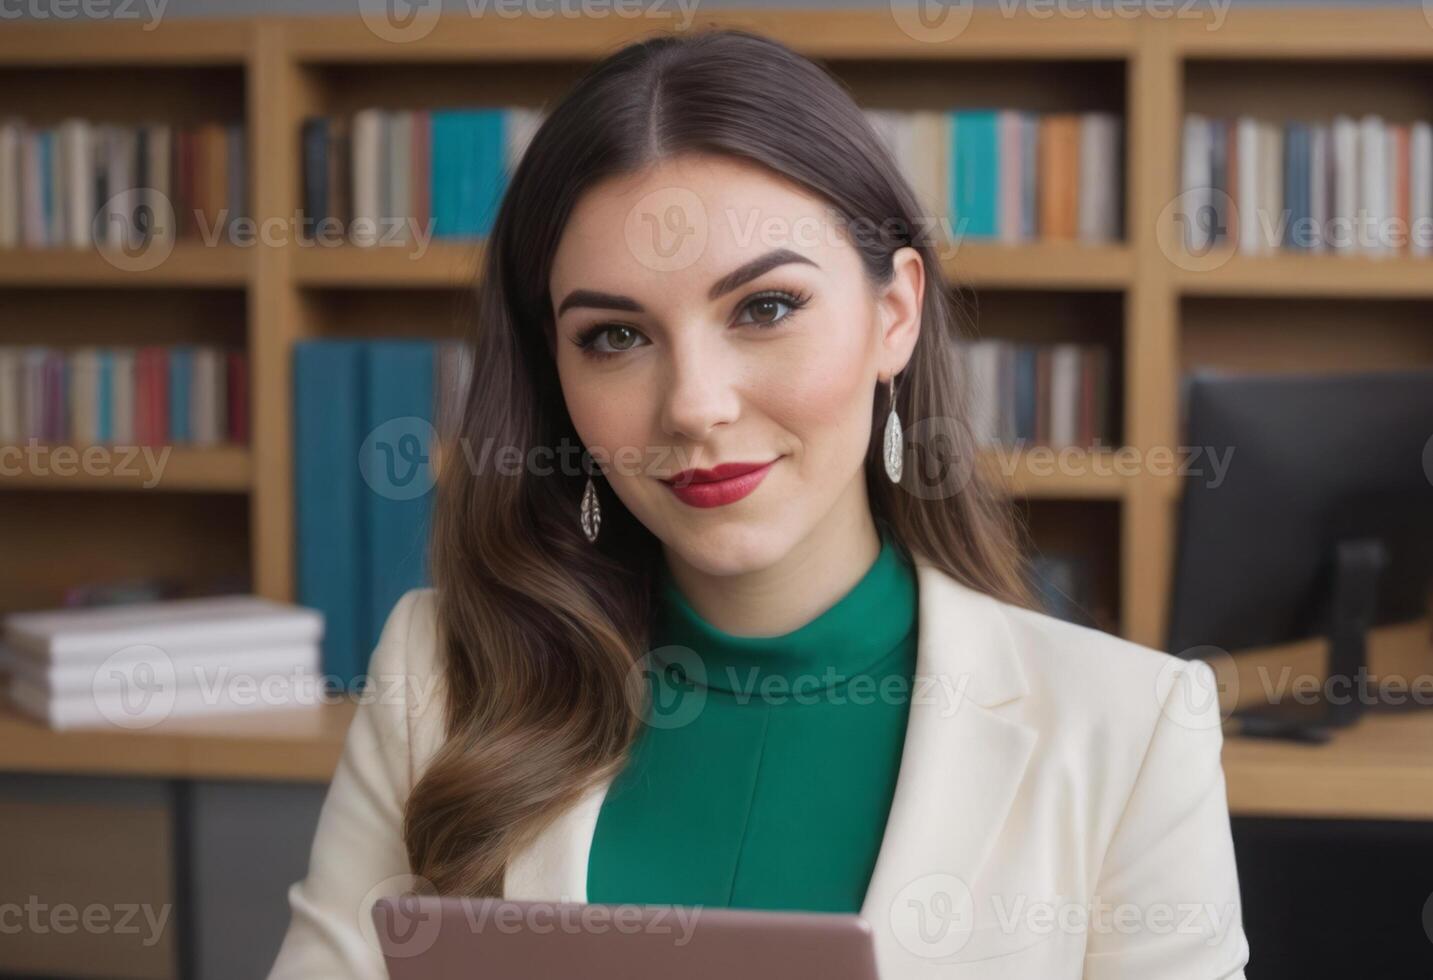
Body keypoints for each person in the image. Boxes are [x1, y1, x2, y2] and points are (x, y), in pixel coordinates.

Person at [269, 27, 1249, 979]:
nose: (694, 404)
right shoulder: (438, 675)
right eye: (614, 336)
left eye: (764, 308)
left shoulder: (1127, 727)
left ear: (893, 313)